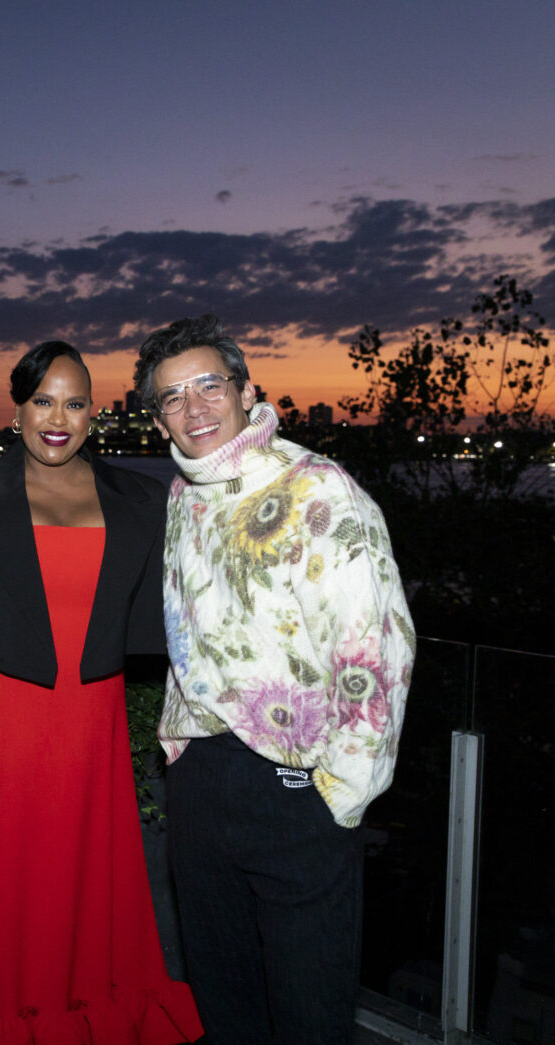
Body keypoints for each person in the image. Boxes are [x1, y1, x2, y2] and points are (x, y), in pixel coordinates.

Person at [0, 342, 203, 1044]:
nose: (58, 417)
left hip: (88, 734)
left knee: (72, 904)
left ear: (94, 414)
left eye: (75, 403)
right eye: (43, 400)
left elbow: (194, 601)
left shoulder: (140, 499)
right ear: (17, 409)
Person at [133, 314, 415, 1045]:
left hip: (297, 791)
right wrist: (178, 747)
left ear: (246, 390)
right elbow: (187, 636)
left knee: (308, 1018)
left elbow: (377, 651)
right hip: (200, 785)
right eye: (171, 397)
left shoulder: (318, 488)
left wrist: (339, 796)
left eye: (208, 385)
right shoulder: (182, 497)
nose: (193, 408)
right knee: (226, 1011)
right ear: (159, 419)